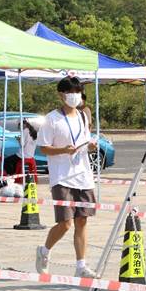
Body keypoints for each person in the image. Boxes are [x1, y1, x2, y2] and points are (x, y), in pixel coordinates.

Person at [35, 77, 98, 278]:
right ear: (61, 94)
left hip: (83, 175)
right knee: (65, 223)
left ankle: (81, 265)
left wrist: (91, 146)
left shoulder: (82, 116)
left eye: (78, 92)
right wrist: (63, 150)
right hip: (62, 177)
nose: (75, 96)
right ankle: (44, 251)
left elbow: (85, 140)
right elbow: (43, 148)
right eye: (71, 92)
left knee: (82, 221)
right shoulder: (52, 119)